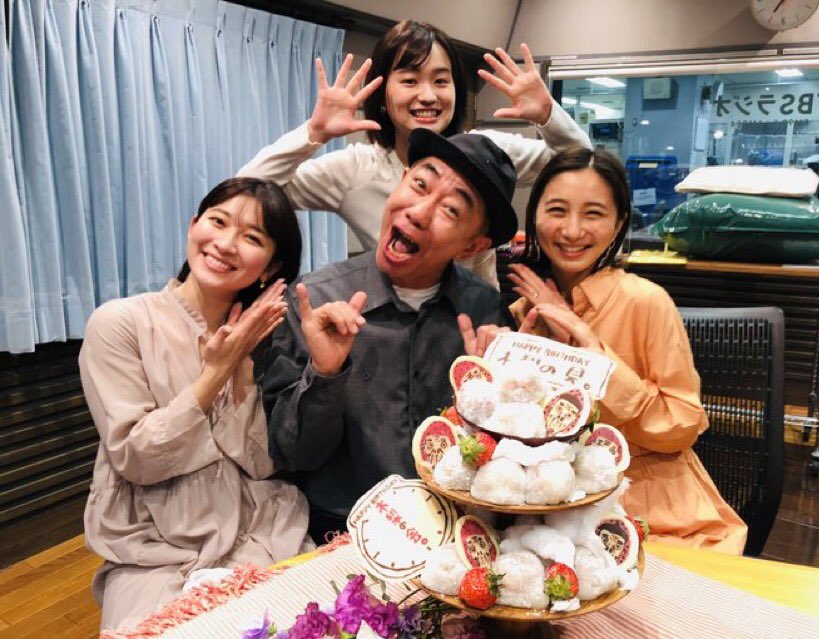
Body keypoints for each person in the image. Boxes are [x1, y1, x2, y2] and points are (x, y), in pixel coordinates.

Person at [260, 129, 516, 543]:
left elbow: (504, 460)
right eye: (419, 184)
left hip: (455, 534)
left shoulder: (485, 313)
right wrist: (325, 374)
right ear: (400, 181)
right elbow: (291, 455)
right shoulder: (315, 300)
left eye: (450, 209)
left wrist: (495, 397)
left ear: (473, 246)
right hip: (338, 535)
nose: (418, 212)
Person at [79, 178, 313, 630]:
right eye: (218, 222)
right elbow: (137, 457)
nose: (225, 244)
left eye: (252, 238)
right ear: (193, 225)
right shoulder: (120, 322)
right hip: (150, 545)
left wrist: (243, 366)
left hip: (253, 527)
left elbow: (259, 464)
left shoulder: (262, 335)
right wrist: (215, 374)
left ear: (269, 268)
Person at [507, 147, 748, 554]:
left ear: (619, 222)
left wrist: (590, 356)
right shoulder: (527, 307)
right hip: (556, 509)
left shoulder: (646, 301)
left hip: (656, 515)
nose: (572, 230)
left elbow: (682, 425)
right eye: (557, 210)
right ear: (533, 216)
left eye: (593, 213)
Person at [238, 20, 591, 288]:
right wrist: (313, 134)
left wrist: (549, 115)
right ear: (382, 94)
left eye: (441, 81)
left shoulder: (489, 153)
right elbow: (245, 192)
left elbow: (583, 165)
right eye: (409, 81)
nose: (428, 96)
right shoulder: (355, 168)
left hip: (475, 325)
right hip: (389, 324)